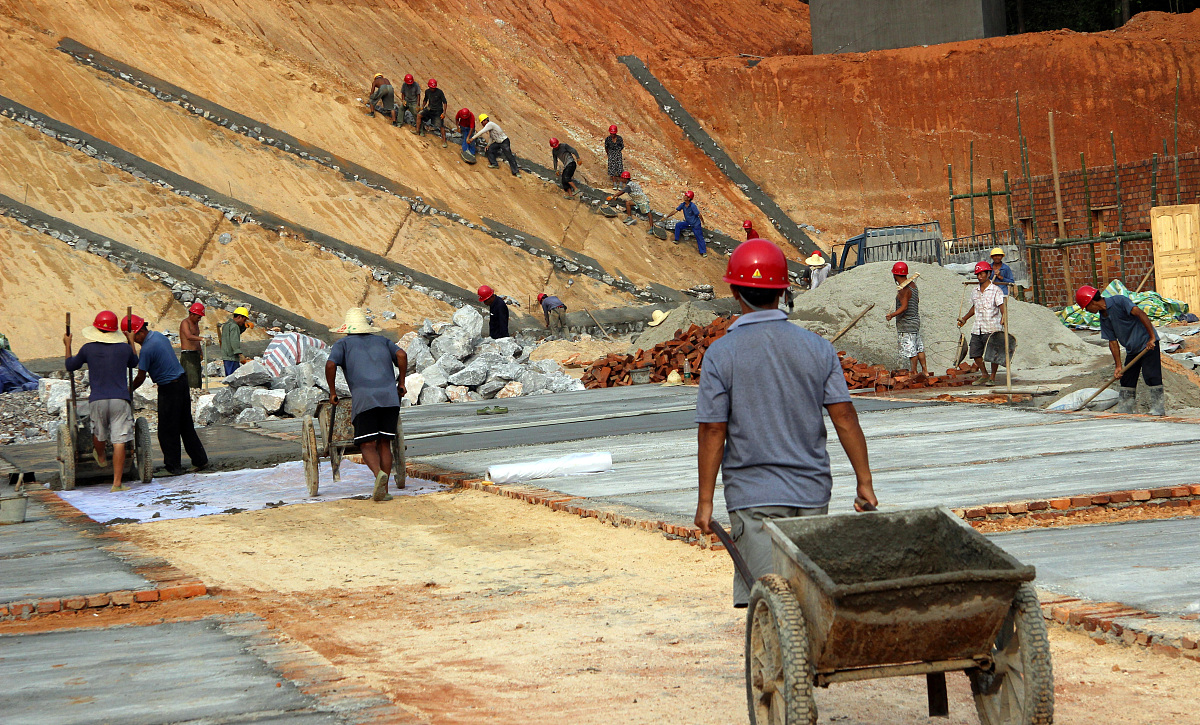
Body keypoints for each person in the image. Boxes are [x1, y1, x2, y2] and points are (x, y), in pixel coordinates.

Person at [693, 239, 877, 608]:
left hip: (752, 498)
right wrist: (864, 483)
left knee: (769, 605)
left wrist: (705, 501)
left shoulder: (720, 355)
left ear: (734, 291)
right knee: (808, 601)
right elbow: (844, 417)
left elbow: (713, 430)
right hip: (811, 494)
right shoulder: (817, 348)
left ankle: (780, 666)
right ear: (782, 291)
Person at [326, 309, 408, 501]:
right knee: (384, 443)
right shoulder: (383, 341)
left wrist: (332, 392)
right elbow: (402, 355)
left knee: (367, 444)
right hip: (389, 398)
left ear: (347, 329)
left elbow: (330, 365)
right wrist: (401, 383)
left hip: (365, 399)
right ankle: (385, 490)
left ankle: (378, 474)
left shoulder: (343, 344)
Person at [64, 311, 139, 492]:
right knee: (119, 441)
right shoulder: (124, 349)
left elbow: (70, 366)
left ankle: (101, 455)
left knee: (98, 432)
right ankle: (117, 484)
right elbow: (135, 362)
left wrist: (68, 345)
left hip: (97, 399)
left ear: (96, 329)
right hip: (120, 399)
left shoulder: (88, 349)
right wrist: (131, 341)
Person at [125, 314, 208, 477]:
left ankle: (173, 466)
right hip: (181, 383)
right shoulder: (158, 336)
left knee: (167, 430)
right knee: (185, 426)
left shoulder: (147, 349)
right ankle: (200, 460)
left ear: (139, 332)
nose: (134, 341)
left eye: (133, 338)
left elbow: (140, 375)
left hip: (169, 388)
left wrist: (128, 390)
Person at [1077, 285, 1163, 415]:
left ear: (1091, 302)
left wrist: (1152, 338)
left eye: (1086, 307)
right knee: (1127, 378)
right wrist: (1118, 366)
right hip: (1132, 349)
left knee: (1151, 375)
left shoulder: (1119, 301)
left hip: (1147, 344)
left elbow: (1140, 313)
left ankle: (1158, 408)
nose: (1088, 311)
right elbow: (1112, 341)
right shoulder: (1104, 317)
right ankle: (1126, 408)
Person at [957, 261, 1007, 386]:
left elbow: (1002, 306)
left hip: (992, 326)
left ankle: (993, 377)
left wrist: (1004, 317)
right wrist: (965, 318)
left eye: (982, 274)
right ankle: (984, 374)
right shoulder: (975, 291)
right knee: (975, 352)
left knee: (993, 354)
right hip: (978, 327)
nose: (979, 277)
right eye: (978, 274)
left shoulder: (996, 290)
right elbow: (975, 307)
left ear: (988, 274)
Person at [884, 262, 928, 376]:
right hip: (915, 321)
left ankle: (914, 371)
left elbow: (904, 307)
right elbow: (916, 300)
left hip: (906, 323)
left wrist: (892, 315)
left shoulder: (903, 289)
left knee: (911, 350)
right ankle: (925, 370)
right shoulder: (913, 285)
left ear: (895, 275)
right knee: (919, 347)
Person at [662, 190, 707, 256]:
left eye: (686, 196)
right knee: (678, 225)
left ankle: (703, 252)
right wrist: (667, 216)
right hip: (688, 222)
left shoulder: (692, 206)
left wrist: (703, 223)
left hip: (695, 224)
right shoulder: (683, 205)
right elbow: (675, 211)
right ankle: (676, 240)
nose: (684, 196)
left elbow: (699, 215)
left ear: (689, 198)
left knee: (699, 237)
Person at [179, 302, 204, 389]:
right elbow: (189, 336)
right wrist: (202, 339)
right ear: (192, 314)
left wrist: (200, 351)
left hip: (195, 354)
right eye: (198, 317)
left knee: (197, 380)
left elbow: (196, 339)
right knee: (192, 381)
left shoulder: (196, 324)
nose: (199, 319)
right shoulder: (185, 323)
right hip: (187, 355)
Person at [416, 78, 448, 147]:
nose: (432, 89)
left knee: (441, 125)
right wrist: (422, 106)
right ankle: (417, 131)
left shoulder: (440, 92)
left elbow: (445, 102)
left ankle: (444, 141)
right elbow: (425, 99)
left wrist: (444, 113)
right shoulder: (427, 91)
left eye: (433, 88)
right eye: (431, 87)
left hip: (438, 111)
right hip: (429, 109)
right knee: (419, 115)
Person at [220, 307, 251, 376]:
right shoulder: (234, 327)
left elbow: (233, 335)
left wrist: (244, 327)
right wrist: (239, 354)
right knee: (234, 378)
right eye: (244, 320)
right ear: (240, 317)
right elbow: (234, 340)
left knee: (229, 377)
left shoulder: (226, 325)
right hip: (232, 357)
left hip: (226, 356)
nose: (244, 322)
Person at [604, 124, 624, 189]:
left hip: (618, 154)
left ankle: (620, 184)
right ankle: (614, 184)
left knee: (620, 168)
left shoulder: (619, 138)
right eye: (611, 133)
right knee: (612, 169)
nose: (612, 135)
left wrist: (617, 152)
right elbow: (606, 147)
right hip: (611, 154)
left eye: (614, 133)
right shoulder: (607, 139)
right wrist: (609, 154)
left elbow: (622, 146)